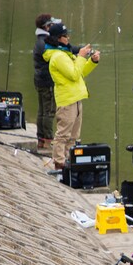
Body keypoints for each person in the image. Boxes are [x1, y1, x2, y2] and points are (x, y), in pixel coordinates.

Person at [42, 22, 99, 170]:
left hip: (76, 98)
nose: (68, 38)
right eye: (65, 36)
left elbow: (80, 72)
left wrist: (92, 62)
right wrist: (80, 56)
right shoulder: (58, 57)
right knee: (63, 135)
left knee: (74, 136)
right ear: (58, 38)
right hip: (67, 100)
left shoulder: (65, 54)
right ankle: (59, 163)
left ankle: (69, 161)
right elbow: (74, 75)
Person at [32, 14, 66, 150]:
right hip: (47, 82)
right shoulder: (44, 42)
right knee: (49, 111)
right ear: (46, 27)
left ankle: (41, 139)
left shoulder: (40, 40)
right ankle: (47, 140)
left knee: (42, 110)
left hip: (39, 80)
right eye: (51, 25)